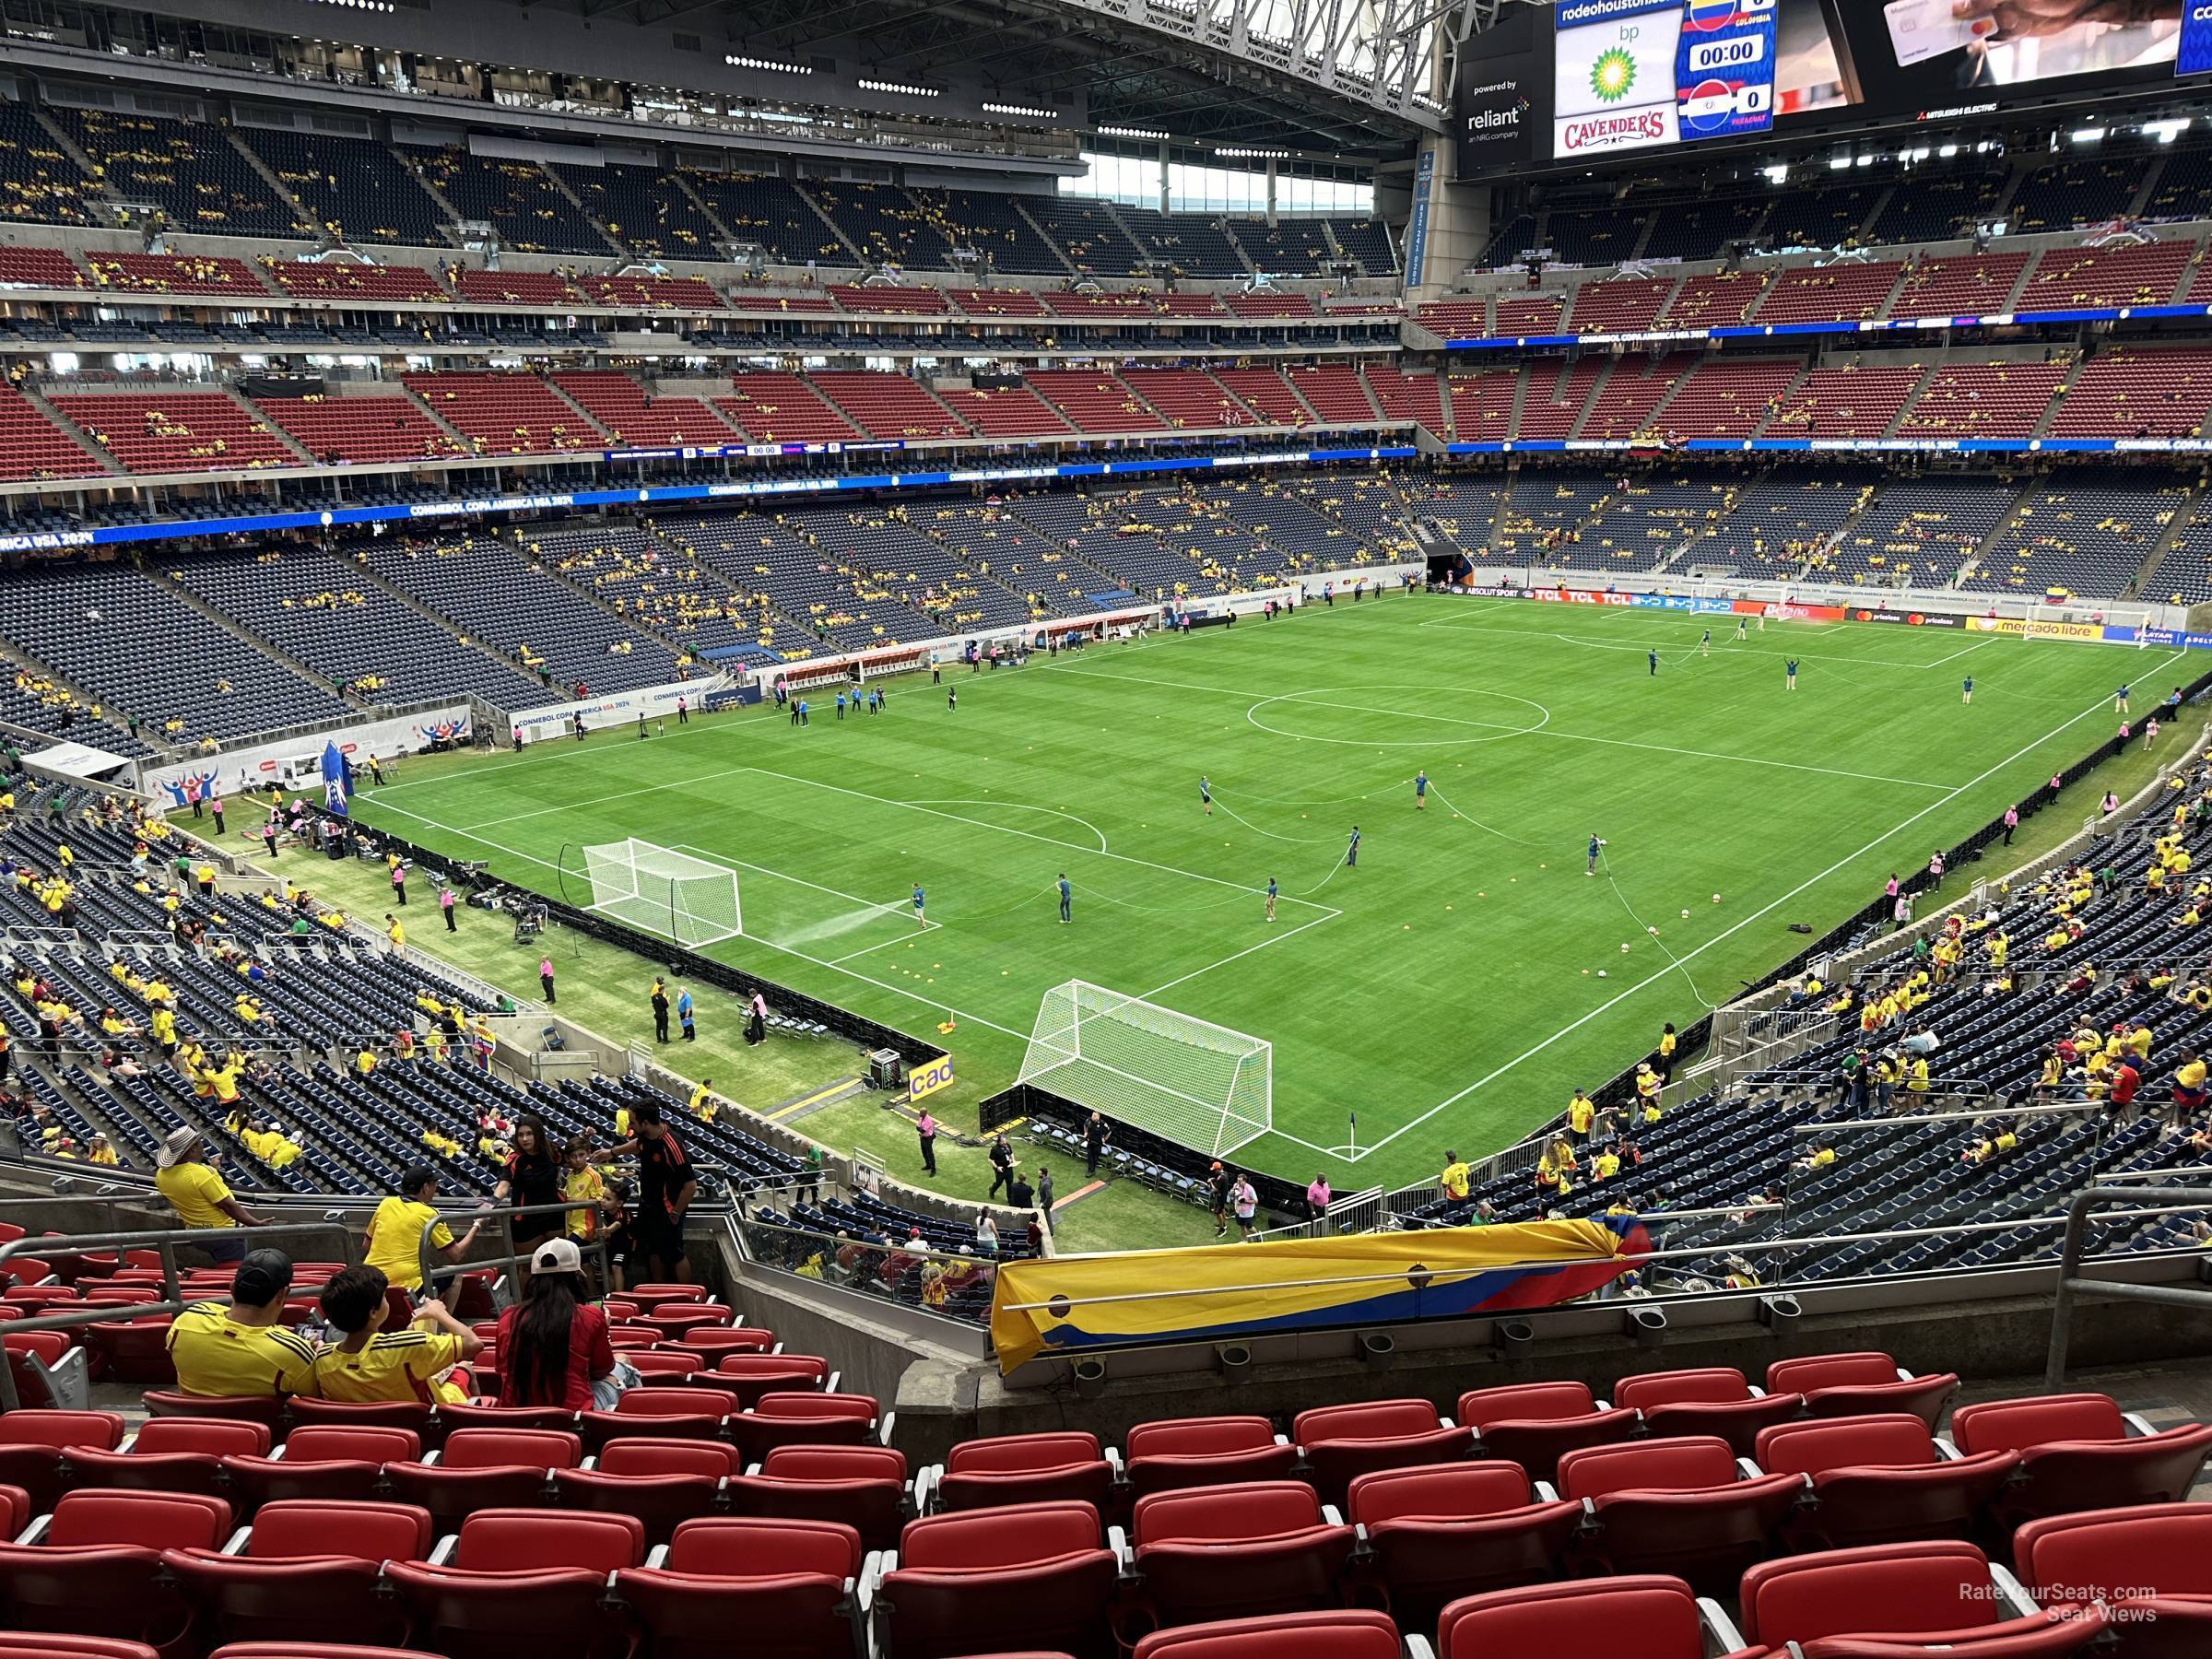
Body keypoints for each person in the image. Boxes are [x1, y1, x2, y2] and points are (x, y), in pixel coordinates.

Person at [497, 1238, 632, 1409]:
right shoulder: (589, 1316)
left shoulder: (508, 1317)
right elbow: (602, 1370)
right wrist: (602, 1330)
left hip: (516, 1414)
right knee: (624, 1362)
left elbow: (502, 1369)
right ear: (576, 1278)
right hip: (573, 1416)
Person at [314, 1266, 482, 1405]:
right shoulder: (411, 1346)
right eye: (384, 1297)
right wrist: (440, 1313)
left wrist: (407, 1337)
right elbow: (473, 1343)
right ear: (373, 1312)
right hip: (428, 1423)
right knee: (465, 1366)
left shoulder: (323, 1357)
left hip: (361, 1433)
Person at [167, 1249, 321, 1399]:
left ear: (232, 1287)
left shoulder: (187, 1320)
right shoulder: (294, 1352)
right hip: (261, 1423)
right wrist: (316, 1355)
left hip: (192, 1422)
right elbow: (317, 1396)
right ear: (281, 1294)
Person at [598, 1099, 695, 1282]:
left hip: (667, 1209)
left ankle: (690, 1297)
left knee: (675, 1254)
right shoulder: (645, 1136)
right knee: (651, 1250)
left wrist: (675, 1213)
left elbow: (690, 1186)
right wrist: (612, 1153)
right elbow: (638, 1145)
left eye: (633, 1122)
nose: (630, 1126)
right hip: (648, 1205)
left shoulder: (671, 1145)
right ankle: (658, 1291)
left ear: (645, 1123)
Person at [365, 1164, 482, 1294]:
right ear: (425, 1188)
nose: (436, 1188)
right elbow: (457, 1254)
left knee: (428, 1268)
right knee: (456, 1275)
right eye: (434, 1184)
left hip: (373, 1281)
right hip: (406, 1286)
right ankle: (440, 1314)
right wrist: (477, 1225)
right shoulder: (429, 1213)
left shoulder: (386, 1203)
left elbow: (366, 1245)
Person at [155, 1125, 264, 1262]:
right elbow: (227, 1205)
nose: (202, 1146)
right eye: (200, 1142)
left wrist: (211, 1169)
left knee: (221, 1265)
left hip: (197, 1235)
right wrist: (255, 1224)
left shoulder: (161, 1175)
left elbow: (191, 1188)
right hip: (223, 1235)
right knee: (234, 1270)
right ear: (193, 1148)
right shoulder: (201, 1174)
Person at [500, 1113, 564, 1265]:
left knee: (560, 1264)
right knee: (528, 1267)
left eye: (529, 1134)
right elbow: (503, 1185)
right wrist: (490, 1203)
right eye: (521, 1135)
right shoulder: (515, 1159)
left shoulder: (552, 1152)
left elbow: (573, 1159)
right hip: (526, 1221)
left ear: (538, 1134)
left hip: (554, 1216)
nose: (525, 1139)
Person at [1229, 1171, 1259, 1240]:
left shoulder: (1250, 1189)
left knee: (1249, 1228)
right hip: (1238, 1211)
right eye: (1237, 1180)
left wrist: (1245, 1201)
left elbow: (1256, 1201)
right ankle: (1244, 1241)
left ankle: (1257, 1235)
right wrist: (1231, 1192)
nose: (1238, 1182)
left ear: (1244, 1181)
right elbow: (1232, 1192)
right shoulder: (1236, 1185)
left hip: (1247, 1212)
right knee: (1241, 1226)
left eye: (1240, 1181)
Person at [988, 1131, 1015, 1199]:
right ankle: (992, 1190)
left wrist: (1013, 1160)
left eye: (1005, 1141)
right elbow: (990, 1160)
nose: (1004, 1143)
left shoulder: (1007, 1145)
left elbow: (1011, 1153)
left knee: (1010, 1184)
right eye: (1003, 1142)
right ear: (999, 1142)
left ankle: (1010, 1199)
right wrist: (997, 1167)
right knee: (999, 1183)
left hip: (1009, 1168)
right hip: (1000, 1170)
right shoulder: (995, 1149)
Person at [1083, 1110, 1108, 1177]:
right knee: (1090, 1157)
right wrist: (1085, 1133)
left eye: (1095, 1116)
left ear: (1098, 1117)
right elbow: (1085, 1125)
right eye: (1092, 1115)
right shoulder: (1089, 1120)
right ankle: (1090, 1171)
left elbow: (1109, 1131)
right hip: (1090, 1142)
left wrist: (1105, 1139)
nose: (1093, 1117)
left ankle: (1092, 1170)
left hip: (1097, 1144)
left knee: (1095, 1158)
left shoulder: (1102, 1123)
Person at [916, 1107, 938, 1176]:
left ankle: (933, 1169)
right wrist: (919, 1129)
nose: (919, 1114)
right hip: (923, 1137)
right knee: (924, 1152)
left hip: (928, 1138)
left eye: (921, 1113)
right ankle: (928, 1165)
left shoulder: (928, 1120)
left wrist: (919, 1129)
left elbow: (922, 1130)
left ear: (925, 1113)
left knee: (930, 1153)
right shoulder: (921, 1118)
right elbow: (917, 1127)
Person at [650, 977, 670, 1042]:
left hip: (657, 1013)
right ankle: (665, 1040)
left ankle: (659, 1039)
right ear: (661, 990)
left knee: (658, 1026)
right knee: (664, 1027)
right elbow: (666, 1005)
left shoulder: (654, 997)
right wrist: (667, 1000)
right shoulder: (662, 998)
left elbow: (653, 1002)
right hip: (662, 1014)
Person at [1036, 1165, 1055, 1230]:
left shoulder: (1046, 1184)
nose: (1038, 1174)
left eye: (1039, 1174)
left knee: (1047, 1216)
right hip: (1043, 1199)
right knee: (1043, 1213)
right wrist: (1039, 1190)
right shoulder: (1047, 1178)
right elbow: (1051, 1183)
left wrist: (1043, 1203)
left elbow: (1049, 1196)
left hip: (1046, 1202)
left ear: (1043, 1174)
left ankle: (1051, 1232)